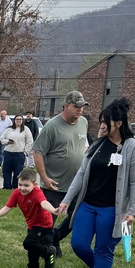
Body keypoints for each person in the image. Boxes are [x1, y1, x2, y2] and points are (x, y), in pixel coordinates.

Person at [58, 98, 135, 268]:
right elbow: (81, 174)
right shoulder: (98, 145)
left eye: (106, 122)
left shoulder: (132, 148)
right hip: (87, 205)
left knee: (103, 249)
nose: (102, 125)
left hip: (111, 210)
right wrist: (67, 200)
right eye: (101, 121)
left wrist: (132, 211)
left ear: (119, 124)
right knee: (78, 244)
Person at [32, 92, 90, 256]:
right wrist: (44, 178)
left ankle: (56, 237)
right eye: (76, 106)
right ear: (65, 106)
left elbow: (82, 146)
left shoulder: (83, 123)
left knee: (76, 218)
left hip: (76, 184)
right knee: (48, 220)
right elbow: (37, 152)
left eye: (82, 107)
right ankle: (45, 248)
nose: (79, 110)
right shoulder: (52, 126)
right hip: (54, 185)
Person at [0, 166, 59, 268]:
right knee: (32, 249)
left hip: (44, 225)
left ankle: (49, 252)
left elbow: (44, 203)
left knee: (28, 243)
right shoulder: (16, 193)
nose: (22, 188)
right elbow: (8, 207)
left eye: (26, 185)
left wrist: (53, 210)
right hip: (31, 224)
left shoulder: (37, 192)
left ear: (34, 185)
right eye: (20, 184)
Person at [0, 113, 34, 190]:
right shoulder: (9, 129)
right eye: (17, 119)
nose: (18, 121)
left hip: (19, 154)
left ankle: (15, 186)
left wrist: (25, 151)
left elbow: (30, 141)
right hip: (8, 152)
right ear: (14, 120)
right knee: (6, 170)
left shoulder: (25, 129)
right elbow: (2, 139)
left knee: (18, 171)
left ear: (22, 120)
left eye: (20, 119)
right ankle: (6, 186)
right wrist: (7, 141)